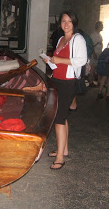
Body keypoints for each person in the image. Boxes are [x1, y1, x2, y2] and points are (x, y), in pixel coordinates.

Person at [41, 11, 87, 170]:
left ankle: (60, 157)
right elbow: (57, 62)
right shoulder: (61, 39)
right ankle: (64, 149)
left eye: (69, 21)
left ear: (74, 23)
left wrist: (59, 60)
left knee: (58, 118)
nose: (66, 24)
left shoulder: (78, 39)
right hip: (57, 79)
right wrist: (50, 61)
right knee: (62, 115)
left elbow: (81, 60)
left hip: (68, 82)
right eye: (63, 21)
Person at [88, 21, 104, 87]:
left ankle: (98, 81)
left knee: (96, 68)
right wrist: (94, 53)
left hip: (98, 53)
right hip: (95, 54)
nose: (103, 27)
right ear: (98, 26)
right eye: (102, 26)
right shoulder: (93, 34)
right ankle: (90, 82)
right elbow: (91, 45)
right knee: (93, 68)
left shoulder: (99, 34)